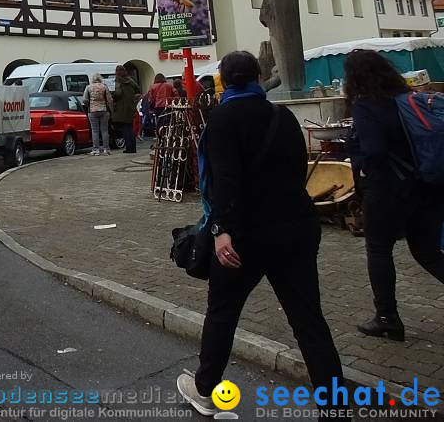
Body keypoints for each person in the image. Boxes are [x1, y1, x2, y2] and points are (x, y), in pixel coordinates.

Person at [176, 51, 343, 417]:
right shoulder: (281, 116)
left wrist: (220, 230)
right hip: (296, 228)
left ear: (223, 80)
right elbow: (299, 166)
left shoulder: (221, 119)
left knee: (223, 313)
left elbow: (225, 182)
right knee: (308, 320)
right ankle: (335, 405)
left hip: (243, 237)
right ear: (256, 77)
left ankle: (205, 390)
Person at [344, 50, 444, 342]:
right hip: (426, 186)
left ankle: (387, 317)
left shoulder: (366, 106)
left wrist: (361, 165)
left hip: (388, 190)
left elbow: (373, 151)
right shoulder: (404, 99)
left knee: (378, 249)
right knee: (426, 251)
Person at [112, 66, 140, 155]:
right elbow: (137, 89)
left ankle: (129, 148)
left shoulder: (118, 81)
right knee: (130, 128)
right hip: (131, 106)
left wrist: (112, 94)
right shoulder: (130, 80)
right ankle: (133, 147)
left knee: (125, 129)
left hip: (121, 108)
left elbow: (118, 93)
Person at [83, 74, 112, 155]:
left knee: (95, 131)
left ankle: (96, 149)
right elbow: (109, 99)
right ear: (100, 79)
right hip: (104, 110)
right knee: (104, 130)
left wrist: (89, 104)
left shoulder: (88, 87)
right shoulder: (104, 87)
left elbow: (85, 99)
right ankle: (106, 149)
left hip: (92, 111)